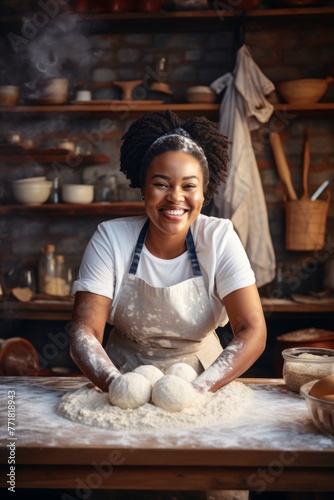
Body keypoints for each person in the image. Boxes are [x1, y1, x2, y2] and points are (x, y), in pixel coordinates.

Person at [70, 110, 266, 500]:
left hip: (204, 378)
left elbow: (252, 330)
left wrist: (200, 389)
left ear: (204, 192)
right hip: (121, 378)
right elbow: (84, 331)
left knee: (216, 487)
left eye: (188, 186)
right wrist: (118, 386)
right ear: (143, 189)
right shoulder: (111, 238)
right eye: (161, 184)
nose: (175, 197)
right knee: (127, 486)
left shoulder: (220, 238)